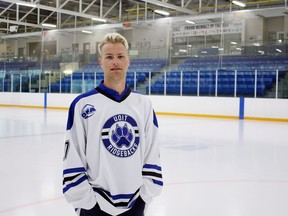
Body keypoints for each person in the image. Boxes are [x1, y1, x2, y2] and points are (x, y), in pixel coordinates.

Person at [62, 32, 163, 216]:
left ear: (128, 61)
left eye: (120, 56)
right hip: (93, 206)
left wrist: (143, 200)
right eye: (109, 57)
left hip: (135, 205)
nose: (115, 62)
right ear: (101, 62)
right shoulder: (82, 105)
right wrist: (88, 204)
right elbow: (73, 159)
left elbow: (152, 156)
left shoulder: (144, 105)